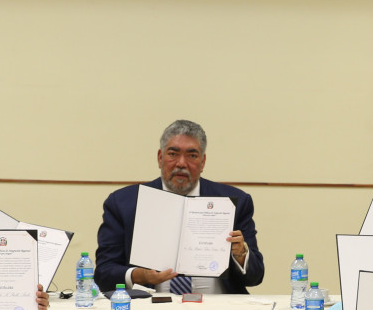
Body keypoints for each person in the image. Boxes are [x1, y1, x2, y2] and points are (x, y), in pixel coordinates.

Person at [95, 119, 264, 294]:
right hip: (150, 306)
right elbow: (103, 273)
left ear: (203, 162)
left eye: (192, 155)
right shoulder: (123, 203)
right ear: (160, 158)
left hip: (218, 305)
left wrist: (240, 255)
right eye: (173, 154)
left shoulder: (233, 203)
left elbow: (256, 276)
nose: (181, 163)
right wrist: (140, 275)